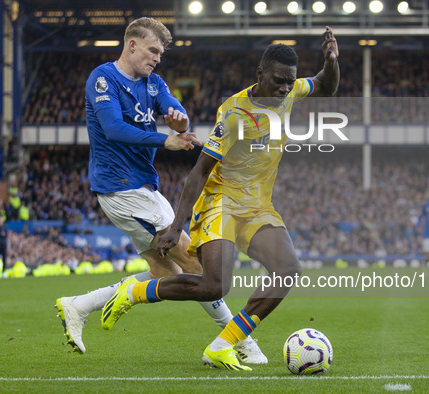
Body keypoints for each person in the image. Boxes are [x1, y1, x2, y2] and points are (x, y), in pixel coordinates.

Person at [102, 27, 340, 371]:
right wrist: (175, 227)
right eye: (278, 81)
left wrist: (331, 60)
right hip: (221, 203)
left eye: (289, 82)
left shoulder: (288, 92)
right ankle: (133, 293)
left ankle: (221, 344)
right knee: (215, 286)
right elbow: (198, 173)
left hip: (257, 206)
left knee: (288, 269)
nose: (285, 89)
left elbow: (326, 85)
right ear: (260, 74)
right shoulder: (234, 115)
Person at [55, 17, 266, 363]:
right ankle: (236, 341)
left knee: (166, 275)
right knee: (196, 265)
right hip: (122, 190)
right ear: (132, 44)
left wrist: (178, 119)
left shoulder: (153, 83)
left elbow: (174, 108)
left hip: (144, 188)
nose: (156, 58)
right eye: (152, 50)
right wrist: (165, 139)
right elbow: (112, 128)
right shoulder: (103, 79)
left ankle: (79, 305)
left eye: (160, 54)